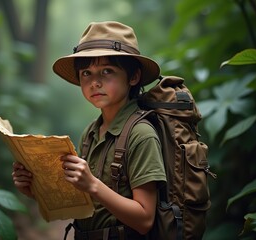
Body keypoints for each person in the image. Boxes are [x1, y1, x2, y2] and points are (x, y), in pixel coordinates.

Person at [12, 21, 166, 240]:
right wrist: (34, 189)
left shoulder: (141, 134)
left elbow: (144, 220)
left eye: (107, 71)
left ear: (133, 77)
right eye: (86, 73)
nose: (95, 82)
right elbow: (84, 205)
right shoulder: (92, 132)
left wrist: (92, 184)